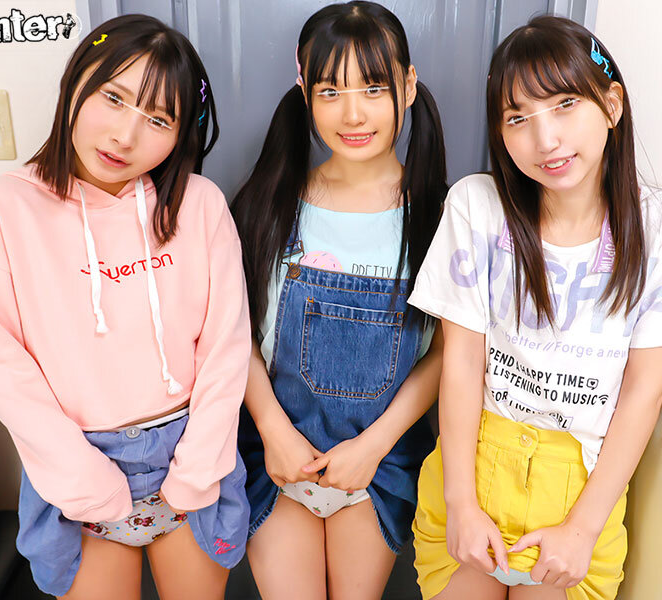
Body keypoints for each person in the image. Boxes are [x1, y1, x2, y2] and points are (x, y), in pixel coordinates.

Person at [408, 15, 662, 600]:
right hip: (473, 477)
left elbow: (642, 393)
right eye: (518, 118)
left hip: (580, 499)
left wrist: (581, 530)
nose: (545, 139)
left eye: (565, 104)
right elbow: (461, 363)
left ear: (612, 104)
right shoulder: (477, 207)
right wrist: (461, 504)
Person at [0, 14, 250, 600]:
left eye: (158, 119)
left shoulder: (199, 205)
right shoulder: (2, 208)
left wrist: (195, 473)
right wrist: (86, 481)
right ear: (76, 83)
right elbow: (1, 365)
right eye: (113, 98)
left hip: (188, 452)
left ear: (181, 134)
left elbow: (226, 346)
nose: (125, 136)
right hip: (75, 465)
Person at [230, 2, 448, 597]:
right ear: (304, 90)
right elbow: (231, 332)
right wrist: (274, 430)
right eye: (330, 91)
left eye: (374, 88)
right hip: (276, 454)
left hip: (379, 461)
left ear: (408, 84)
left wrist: (372, 448)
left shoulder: (441, 215)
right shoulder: (266, 202)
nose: (353, 114)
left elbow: (447, 354)